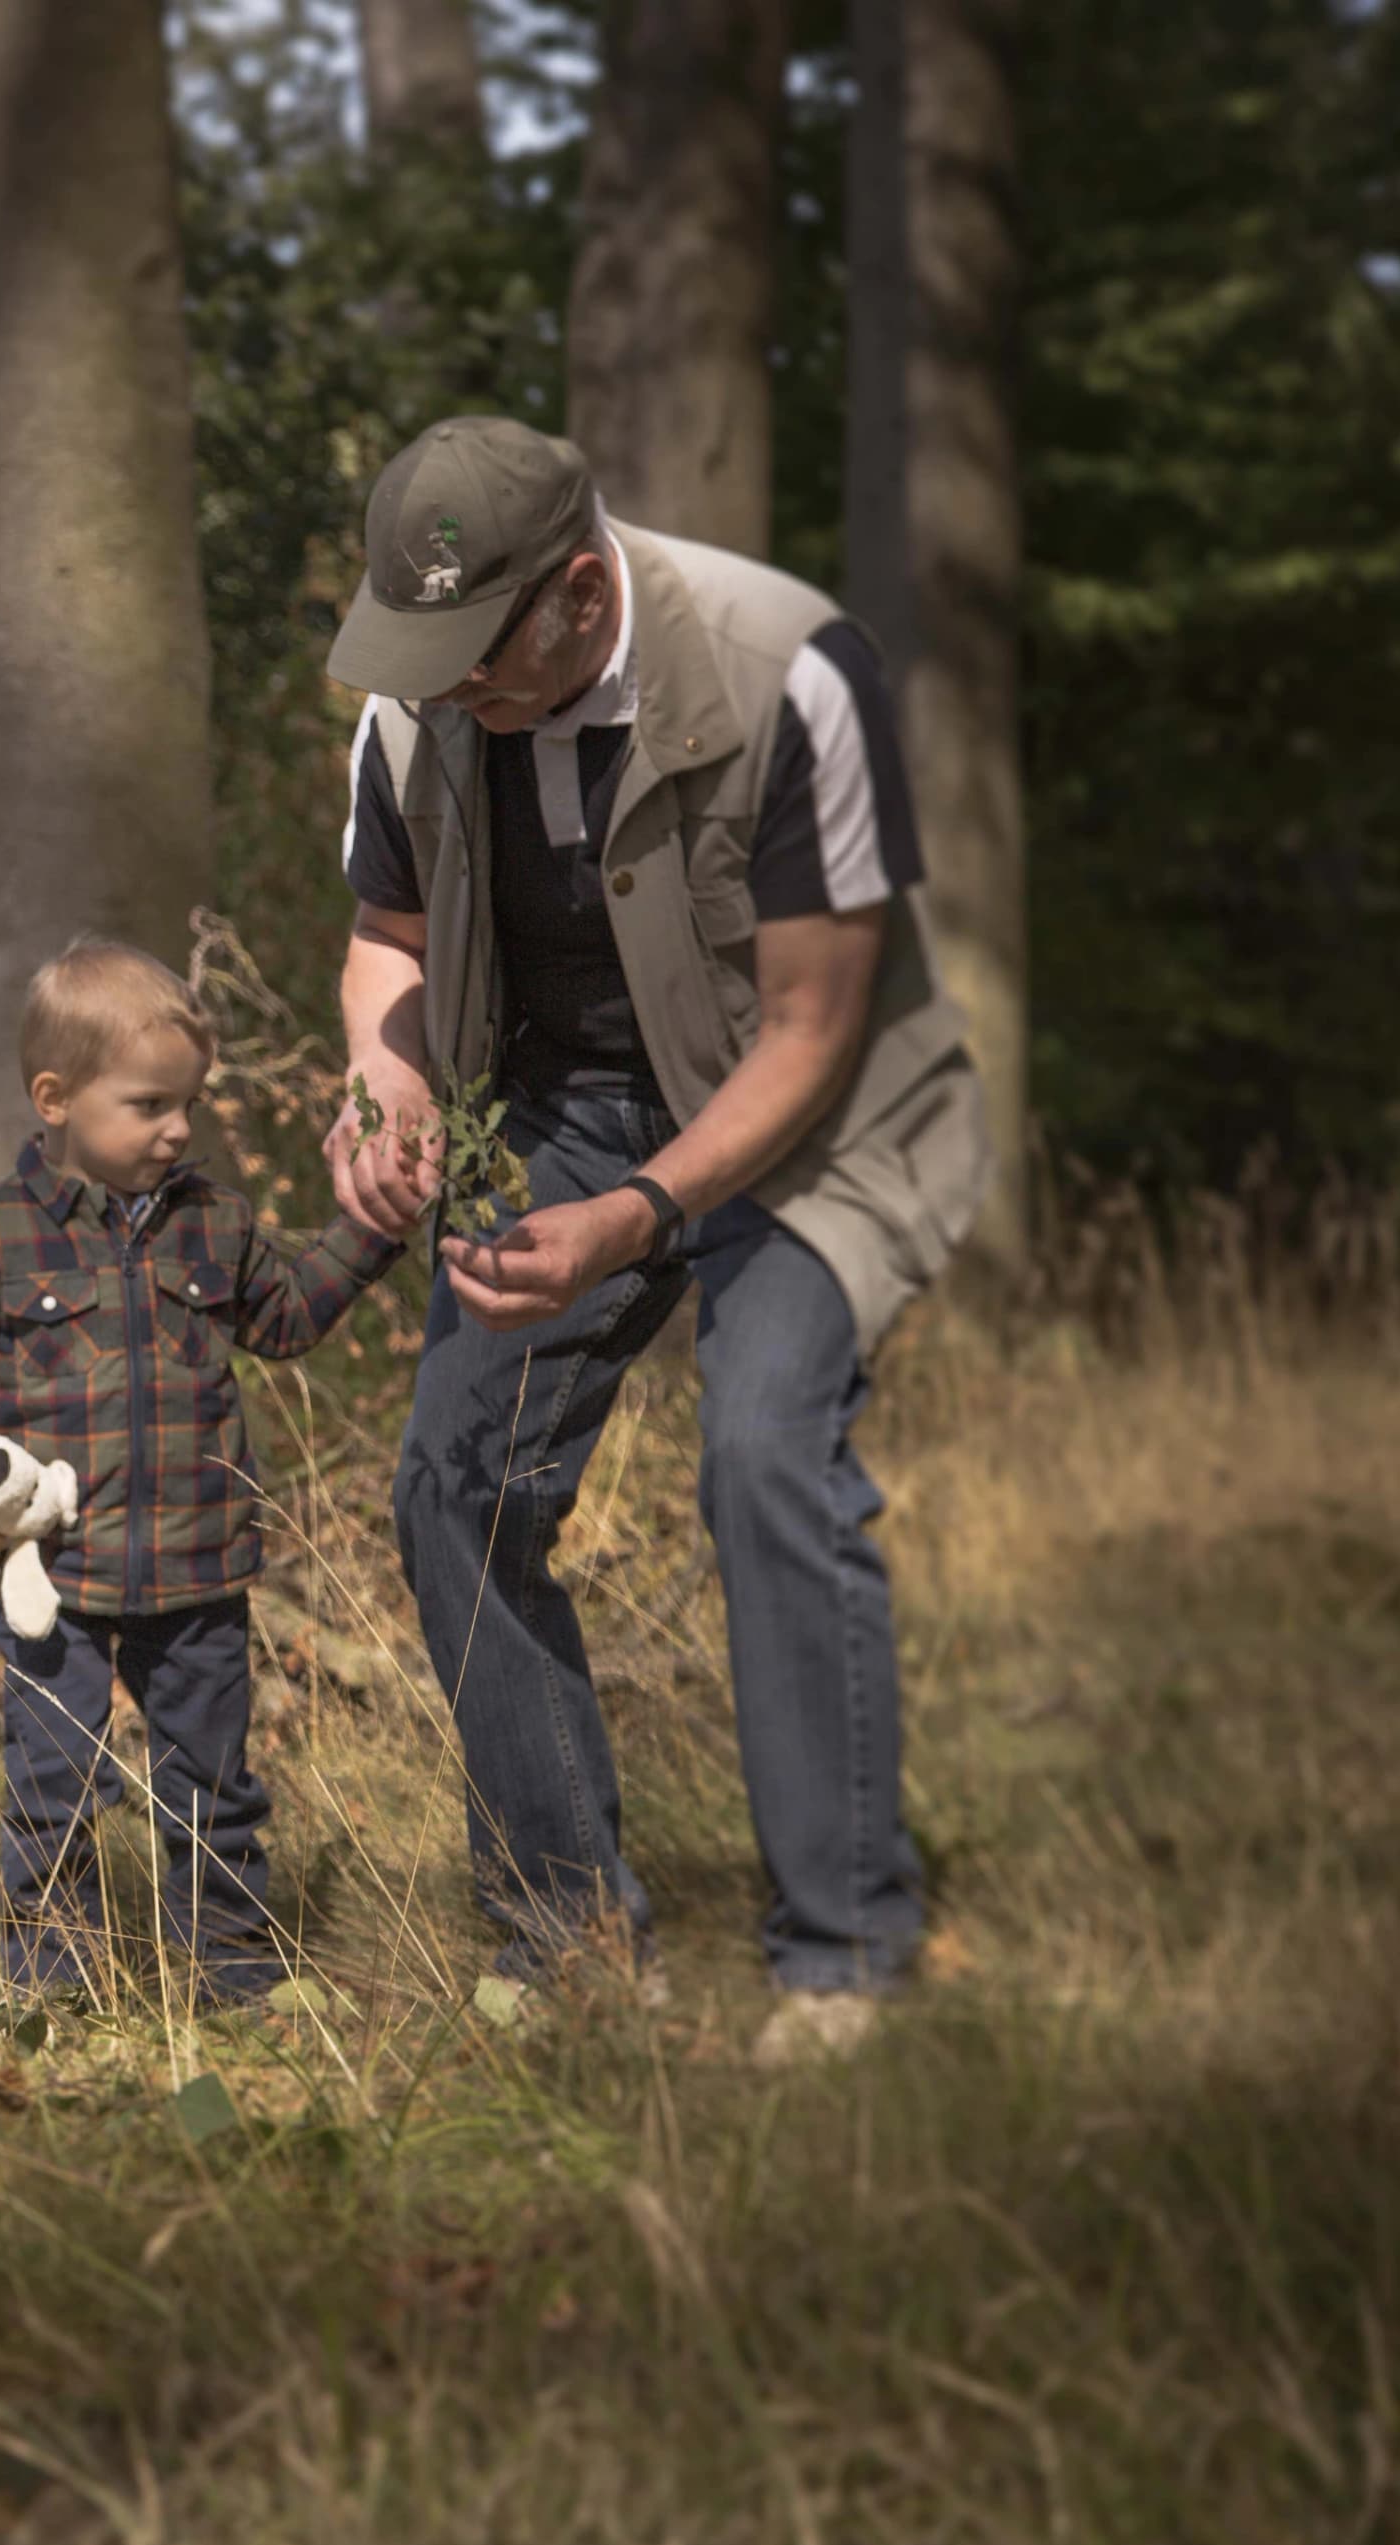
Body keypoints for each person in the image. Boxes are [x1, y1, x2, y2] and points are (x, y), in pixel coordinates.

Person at [319, 415, 988, 2065]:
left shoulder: (792, 672)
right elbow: (385, 941)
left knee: (764, 1452)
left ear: (585, 593)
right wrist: (386, 1085)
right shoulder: (417, 709)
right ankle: (569, 1936)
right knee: (451, 1483)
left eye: (480, 653)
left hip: (806, 1125)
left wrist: (638, 1218)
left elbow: (815, 1024)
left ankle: (843, 1957)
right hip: (558, 1110)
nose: (447, 687)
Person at [0, 937, 413, 2015]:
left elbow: (286, 1316)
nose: (179, 1128)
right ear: (56, 1097)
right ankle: (52, 1988)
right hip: (57, 1581)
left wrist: (371, 1227)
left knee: (214, 1790)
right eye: (149, 1104)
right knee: (52, 1789)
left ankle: (232, 1981)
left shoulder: (210, 1220)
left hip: (198, 1567)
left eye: (189, 1104)